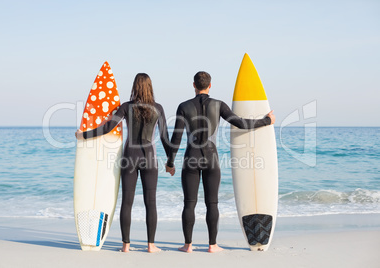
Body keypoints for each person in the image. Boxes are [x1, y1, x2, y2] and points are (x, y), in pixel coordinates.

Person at [166, 71, 275, 253]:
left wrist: (170, 163)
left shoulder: (183, 106)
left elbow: (176, 138)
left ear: (193, 85)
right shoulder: (218, 105)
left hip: (191, 158)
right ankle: (212, 245)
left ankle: (188, 245)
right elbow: (240, 123)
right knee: (212, 203)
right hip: (211, 158)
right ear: (210, 85)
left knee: (189, 203)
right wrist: (266, 121)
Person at [76, 73, 173, 253]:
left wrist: (84, 135)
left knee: (127, 202)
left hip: (130, 156)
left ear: (134, 87)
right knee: (150, 202)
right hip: (149, 158)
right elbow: (164, 137)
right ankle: (151, 245)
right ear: (150, 87)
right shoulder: (157, 108)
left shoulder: (126, 107)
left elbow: (107, 128)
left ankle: (125, 246)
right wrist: (170, 161)